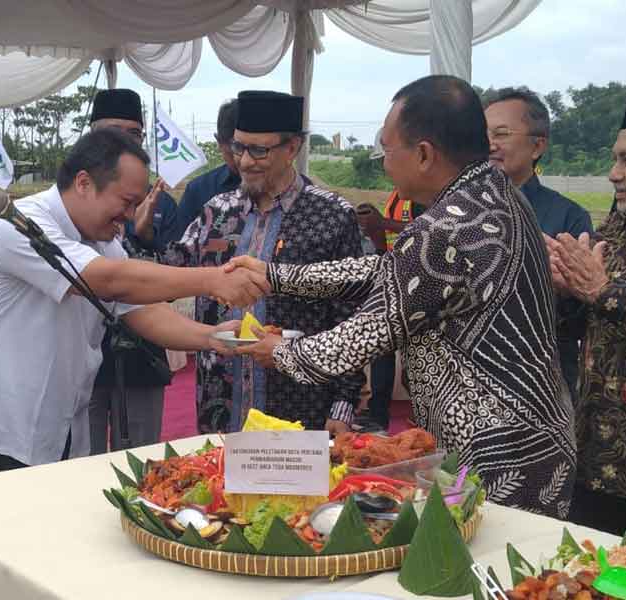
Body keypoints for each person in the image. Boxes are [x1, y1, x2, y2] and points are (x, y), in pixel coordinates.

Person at [232, 75, 576, 518]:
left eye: (387, 150)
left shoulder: (444, 227)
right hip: (539, 435)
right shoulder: (497, 193)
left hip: (495, 456)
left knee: (484, 557)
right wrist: (277, 276)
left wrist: (278, 351)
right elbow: (392, 271)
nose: (384, 165)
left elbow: (359, 339)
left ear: (425, 154)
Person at [0, 128, 267, 476]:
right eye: (126, 202)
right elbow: (110, 281)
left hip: (61, 429)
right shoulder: (18, 225)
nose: (130, 215)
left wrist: (213, 337)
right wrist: (213, 279)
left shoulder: (102, 241)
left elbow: (141, 310)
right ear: (84, 183)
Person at [150, 90, 365, 434]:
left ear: (292, 148)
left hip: (300, 405)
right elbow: (168, 272)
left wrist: (343, 405)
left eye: (259, 150)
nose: (245, 162)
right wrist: (135, 237)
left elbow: (352, 320)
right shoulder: (216, 212)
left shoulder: (332, 216)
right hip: (220, 405)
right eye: (239, 148)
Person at [547, 88, 626, 535]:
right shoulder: (615, 231)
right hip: (596, 463)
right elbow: (586, 323)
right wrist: (566, 290)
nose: (613, 174)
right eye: (615, 159)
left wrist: (601, 291)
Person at [484, 87, 594, 402]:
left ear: (538, 145)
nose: (490, 144)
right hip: (471, 382)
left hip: (541, 385)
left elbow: (584, 318)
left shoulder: (569, 218)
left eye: (501, 134)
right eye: (484, 134)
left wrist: (562, 288)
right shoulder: (458, 210)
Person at [87, 89, 177, 453]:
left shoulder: (160, 201)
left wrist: (144, 238)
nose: (124, 141)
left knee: (140, 460)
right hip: (83, 355)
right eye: (113, 131)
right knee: (81, 462)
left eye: (134, 134)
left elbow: (174, 278)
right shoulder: (72, 199)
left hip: (142, 352)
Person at [354, 186, 425, 432]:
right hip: (396, 278)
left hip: (422, 284)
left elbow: (430, 232)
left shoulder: (424, 194)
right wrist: (373, 228)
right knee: (381, 349)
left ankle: (423, 419)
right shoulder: (397, 195)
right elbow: (385, 245)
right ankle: (377, 415)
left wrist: (383, 222)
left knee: (415, 362)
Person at [173, 99, 242, 235]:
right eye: (233, 152)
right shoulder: (198, 190)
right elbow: (178, 242)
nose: (244, 161)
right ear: (219, 142)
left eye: (254, 150)